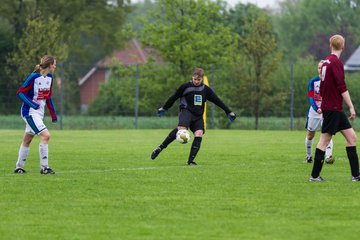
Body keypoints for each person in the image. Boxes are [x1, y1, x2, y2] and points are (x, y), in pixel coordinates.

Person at [150, 67, 236, 165]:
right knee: (181, 129)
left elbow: (217, 100)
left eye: (198, 80)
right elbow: (173, 97)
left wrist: (228, 112)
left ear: (202, 79)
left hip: (198, 116)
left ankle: (190, 161)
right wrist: (164, 108)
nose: (196, 81)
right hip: (186, 112)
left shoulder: (205, 89)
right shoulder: (185, 86)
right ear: (192, 77)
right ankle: (160, 148)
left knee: (199, 133)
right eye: (195, 79)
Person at [309, 34, 360, 182]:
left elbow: (323, 87)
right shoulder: (336, 63)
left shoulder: (325, 63)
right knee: (324, 141)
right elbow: (341, 86)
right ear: (343, 47)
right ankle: (314, 176)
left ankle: (356, 175)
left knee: (351, 137)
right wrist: (351, 106)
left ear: (330, 45)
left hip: (333, 108)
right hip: (333, 108)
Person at [14, 55, 58, 174]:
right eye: (54, 64)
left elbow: (48, 98)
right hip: (29, 112)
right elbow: (20, 93)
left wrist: (53, 114)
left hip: (39, 114)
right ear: (49, 65)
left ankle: (19, 167)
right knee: (46, 136)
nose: (55, 66)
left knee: (27, 140)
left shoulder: (49, 78)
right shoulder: (33, 77)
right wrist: (33, 105)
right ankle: (44, 168)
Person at [305, 60, 334, 164]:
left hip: (326, 111)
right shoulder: (313, 81)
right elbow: (310, 96)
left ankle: (328, 156)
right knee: (310, 135)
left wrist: (326, 108)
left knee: (328, 133)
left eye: (322, 67)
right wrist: (316, 108)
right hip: (314, 111)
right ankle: (308, 156)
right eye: (319, 68)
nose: (320, 70)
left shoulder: (330, 81)